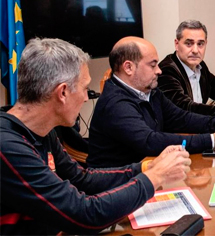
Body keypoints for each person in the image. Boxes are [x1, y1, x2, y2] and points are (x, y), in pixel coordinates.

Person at [0, 38, 191, 235]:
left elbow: (82, 179)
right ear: (63, 92)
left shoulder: (42, 130)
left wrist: (146, 167)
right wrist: (155, 176)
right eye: (84, 88)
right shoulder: (8, 146)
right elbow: (84, 214)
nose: (85, 97)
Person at [87, 37, 215, 168]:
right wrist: (212, 140)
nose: (159, 70)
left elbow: (182, 119)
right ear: (128, 68)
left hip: (148, 172)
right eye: (153, 65)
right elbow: (150, 141)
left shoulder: (149, 90)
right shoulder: (115, 104)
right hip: (116, 185)